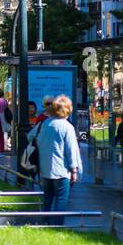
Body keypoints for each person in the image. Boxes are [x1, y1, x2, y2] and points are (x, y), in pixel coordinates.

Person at [33, 95, 82, 227]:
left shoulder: (45, 124)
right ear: (67, 110)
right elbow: (71, 150)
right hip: (61, 171)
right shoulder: (67, 127)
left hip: (45, 170)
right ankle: (57, 227)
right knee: (61, 200)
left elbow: (38, 142)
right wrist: (74, 170)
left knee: (47, 199)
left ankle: (45, 223)